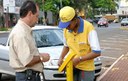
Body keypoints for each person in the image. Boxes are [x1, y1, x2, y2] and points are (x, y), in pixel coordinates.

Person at [9, 1, 50, 81]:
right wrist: (41, 57)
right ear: (30, 14)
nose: (37, 20)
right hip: (27, 77)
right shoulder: (20, 33)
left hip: (29, 76)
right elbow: (27, 60)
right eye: (36, 16)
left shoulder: (24, 30)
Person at [58, 6, 101, 81]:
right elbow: (66, 46)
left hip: (86, 69)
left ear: (75, 20)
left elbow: (96, 52)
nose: (66, 28)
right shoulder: (66, 30)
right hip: (72, 66)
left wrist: (79, 59)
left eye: (68, 25)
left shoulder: (88, 28)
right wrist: (61, 57)